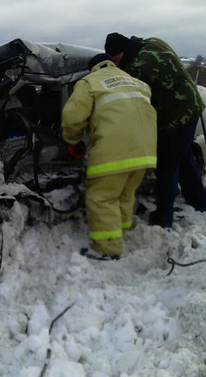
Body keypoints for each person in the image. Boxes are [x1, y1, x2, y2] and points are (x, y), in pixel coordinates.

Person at [104, 33, 206, 228]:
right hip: (192, 106)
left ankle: (163, 219)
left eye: (116, 60)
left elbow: (137, 108)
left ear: (122, 52)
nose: (117, 66)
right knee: (184, 159)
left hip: (176, 119)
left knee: (167, 168)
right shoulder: (153, 42)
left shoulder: (138, 68)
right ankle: (201, 202)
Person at [61, 53, 157, 260]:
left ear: (92, 68)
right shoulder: (137, 83)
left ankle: (107, 249)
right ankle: (120, 232)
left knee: (102, 197)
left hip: (114, 151)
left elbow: (72, 118)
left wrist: (72, 141)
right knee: (124, 194)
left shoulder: (89, 82)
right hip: (145, 152)